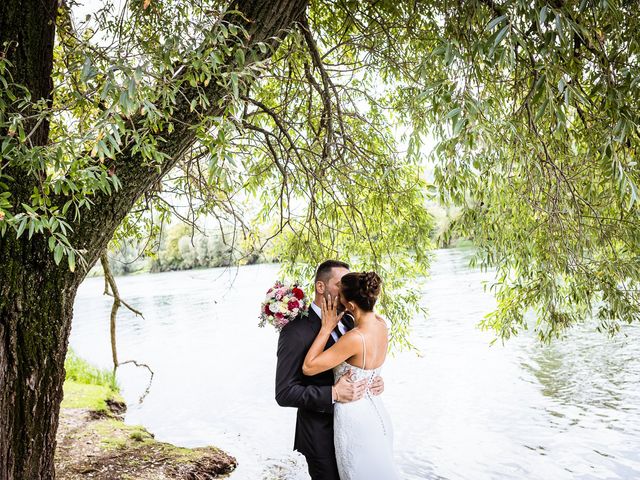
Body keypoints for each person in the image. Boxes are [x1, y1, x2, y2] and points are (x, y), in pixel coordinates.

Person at [275, 260, 385, 480]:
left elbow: (359, 360)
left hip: (356, 429)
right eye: (339, 284)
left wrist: (374, 379)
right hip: (320, 436)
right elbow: (284, 393)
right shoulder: (296, 331)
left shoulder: (350, 321)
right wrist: (333, 393)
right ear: (320, 287)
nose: (345, 289)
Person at [302, 271, 400, 480]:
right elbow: (369, 366)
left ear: (351, 306)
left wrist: (325, 329)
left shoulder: (354, 338)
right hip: (377, 412)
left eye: (341, 295)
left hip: (355, 418)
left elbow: (309, 367)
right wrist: (378, 380)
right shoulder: (382, 325)